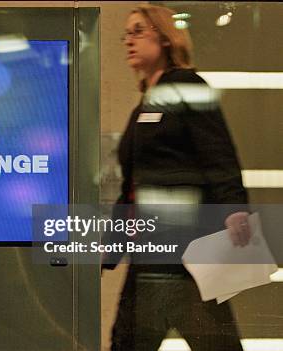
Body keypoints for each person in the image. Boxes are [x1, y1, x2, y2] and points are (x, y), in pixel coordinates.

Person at [106, 4, 252, 350]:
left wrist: (234, 207)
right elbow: (134, 184)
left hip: (185, 248)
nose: (129, 41)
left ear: (167, 38)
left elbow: (218, 151)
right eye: (126, 34)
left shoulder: (186, 84)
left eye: (139, 31)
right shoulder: (147, 101)